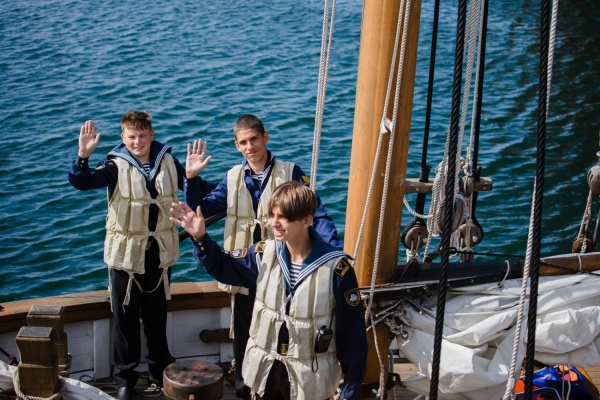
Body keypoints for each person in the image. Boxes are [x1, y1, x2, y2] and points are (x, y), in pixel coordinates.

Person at [185, 114, 343, 399]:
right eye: (243, 142)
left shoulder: (291, 172)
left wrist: (332, 254)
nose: (250, 147)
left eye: (254, 139)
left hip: (280, 268)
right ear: (237, 146)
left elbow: (316, 214)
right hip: (243, 267)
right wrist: (192, 179)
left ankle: (285, 388)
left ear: (265, 138)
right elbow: (200, 210)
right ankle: (245, 391)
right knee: (245, 334)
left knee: (282, 330)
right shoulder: (233, 178)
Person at [170, 181, 367, 400]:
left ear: (306, 221)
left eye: (283, 217)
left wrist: (350, 391)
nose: (274, 223)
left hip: (309, 380)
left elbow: (352, 335)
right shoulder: (263, 253)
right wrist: (200, 238)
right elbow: (225, 267)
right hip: (266, 374)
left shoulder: (337, 269)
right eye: (272, 215)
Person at [68, 111, 216, 400]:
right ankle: (125, 380)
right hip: (125, 255)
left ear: (151, 135)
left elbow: (197, 192)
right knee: (125, 319)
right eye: (132, 137)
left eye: (142, 136)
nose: (137, 142)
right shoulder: (114, 166)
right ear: (123, 138)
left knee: (156, 315)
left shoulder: (168, 161)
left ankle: (160, 371)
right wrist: (83, 156)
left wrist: (203, 178)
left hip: (159, 253)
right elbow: (81, 182)